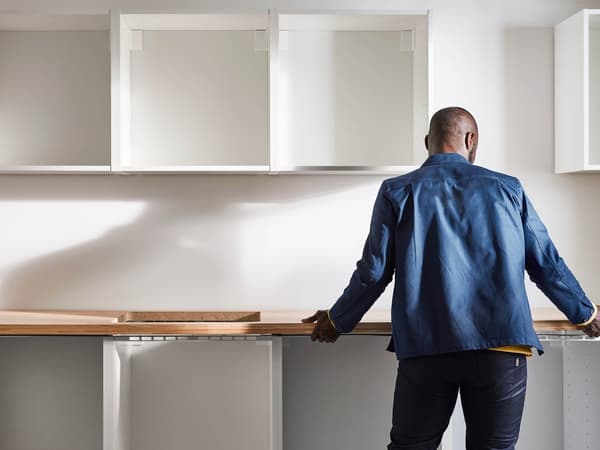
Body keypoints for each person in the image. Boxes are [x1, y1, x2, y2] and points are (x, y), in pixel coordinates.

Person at [302, 106, 600, 450]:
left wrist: (337, 321)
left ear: (427, 142)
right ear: (471, 140)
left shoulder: (396, 191)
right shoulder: (508, 189)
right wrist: (585, 312)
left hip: (427, 348)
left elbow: (373, 271)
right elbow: (545, 262)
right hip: (500, 347)